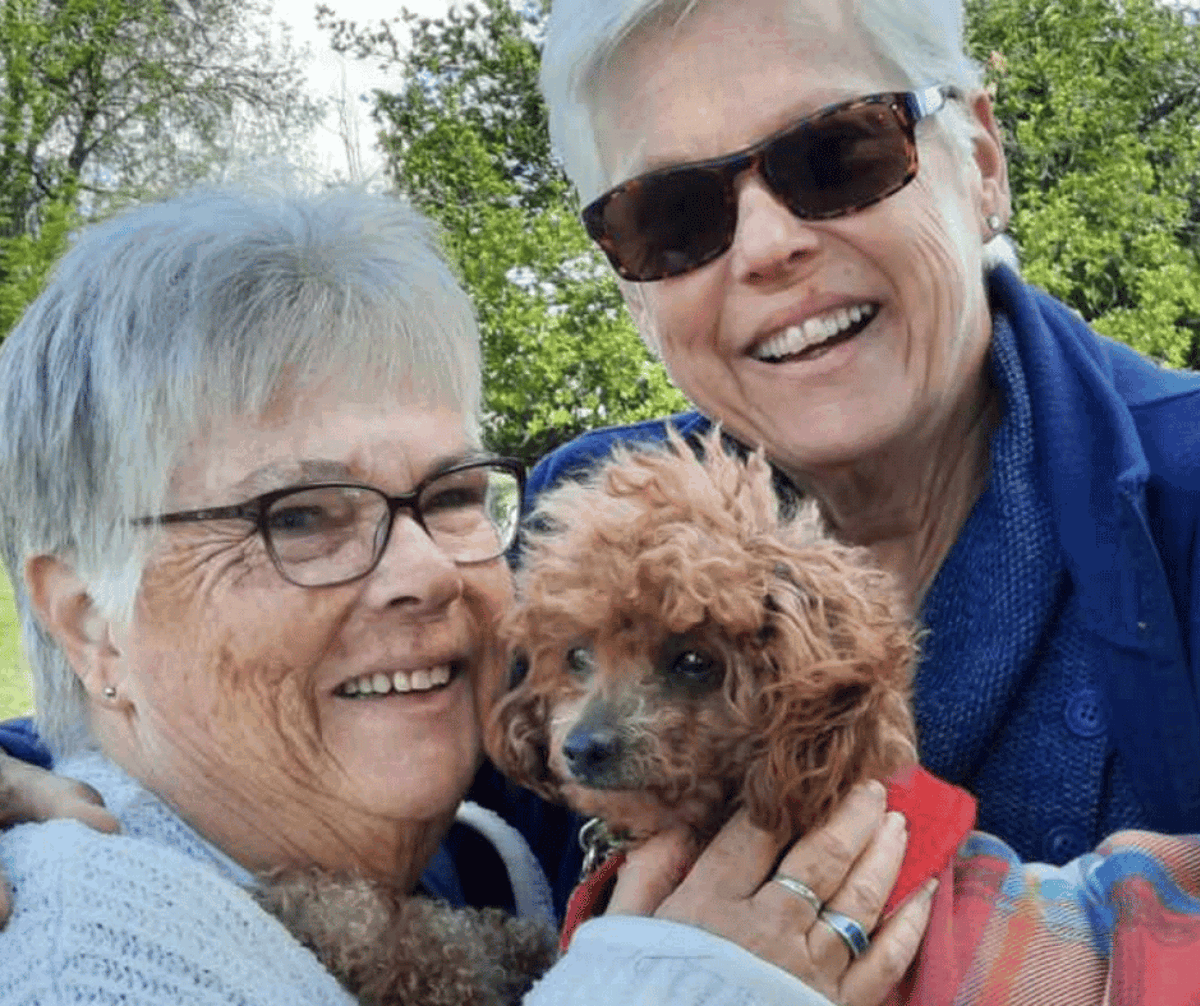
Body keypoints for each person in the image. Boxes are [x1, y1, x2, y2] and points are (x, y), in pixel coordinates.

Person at [0, 184, 930, 1006]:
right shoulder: (77, 956)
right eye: (299, 516)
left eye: (451, 496)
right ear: (92, 623)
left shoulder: (489, 856)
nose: (426, 572)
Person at [529, 0, 1200, 867]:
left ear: (982, 164)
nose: (768, 246)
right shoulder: (573, 524)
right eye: (673, 216)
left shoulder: (1184, 487)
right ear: (633, 295)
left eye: (836, 155)